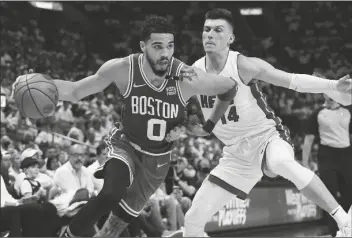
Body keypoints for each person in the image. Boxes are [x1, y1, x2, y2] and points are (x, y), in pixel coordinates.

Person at [13, 15, 238, 237]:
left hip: (156, 162)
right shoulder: (123, 69)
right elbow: (74, 91)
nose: (165, 54)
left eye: (170, 46)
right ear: (143, 46)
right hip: (126, 146)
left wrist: (206, 127)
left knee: (110, 231)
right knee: (111, 192)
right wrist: (36, 84)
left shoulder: (187, 77)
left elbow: (229, 88)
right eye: (158, 47)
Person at [179, 8, 352, 237]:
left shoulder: (244, 65)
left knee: (281, 162)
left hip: (267, 137)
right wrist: (187, 126)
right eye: (206, 29)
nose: (209, 34)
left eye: (218, 30)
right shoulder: (194, 72)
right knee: (192, 220)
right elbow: (171, 103)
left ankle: (344, 222)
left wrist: (331, 86)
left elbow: (293, 81)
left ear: (230, 38)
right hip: (235, 154)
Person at [302, 86, 352, 236]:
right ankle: (333, 231)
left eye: (331, 98)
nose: (328, 100)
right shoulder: (317, 113)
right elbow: (308, 140)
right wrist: (305, 164)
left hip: (346, 155)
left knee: (349, 193)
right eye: (326, 98)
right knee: (329, 193)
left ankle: (346, 226)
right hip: (327, 155)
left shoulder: (348, 111)